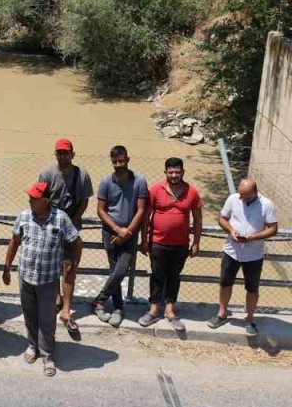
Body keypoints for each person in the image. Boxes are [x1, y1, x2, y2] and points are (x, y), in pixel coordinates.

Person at [3, 181, 81, 377]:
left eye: (34, 199)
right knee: (29, 316)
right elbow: (14, 242)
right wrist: (6, 267)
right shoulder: (24, 216)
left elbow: (77, 242)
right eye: (30, 197)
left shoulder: (60, 219)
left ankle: (47, 355)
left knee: (47, 320)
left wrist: (74, 265)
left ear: (46, 201)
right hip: (26, 277)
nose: (30, 201)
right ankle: (32, 346)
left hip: (48, 280)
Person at [139, 157, 203, 331]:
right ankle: (153, 309)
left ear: (183, 172)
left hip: (181, 244)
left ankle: (169, 309)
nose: (174, 175)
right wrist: (144, 240)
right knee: (157, 275)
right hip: (157, 242)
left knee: (174, 276)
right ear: (165, 172)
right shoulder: (155, 189)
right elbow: (146, 217)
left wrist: (196, 242)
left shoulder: (192, 192)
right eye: (171, 172)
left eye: (177, 172)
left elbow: (197, 220)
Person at [37, 138, 93, 336]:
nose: (63, 156)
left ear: (73, 154)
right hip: (50, 226)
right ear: (56, 155)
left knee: (69, 268)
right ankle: (56, 298)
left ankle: (67, 310)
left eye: (66, 153)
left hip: (70, 228)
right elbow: (39, 199)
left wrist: (72, 221)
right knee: (51, 266)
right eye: (59, 153)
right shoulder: (47, 174)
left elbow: (85, 201)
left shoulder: (82, 175)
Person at [209, 179, 278, 338]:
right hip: (231, 251)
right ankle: (222, 313)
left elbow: (273, 229)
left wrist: (255, 237)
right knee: (225, 282)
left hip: (254, 255)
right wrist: (231, 231)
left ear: (255, 192)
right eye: (241, 195)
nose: (242, 199)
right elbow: (222, 219)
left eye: (246, 196)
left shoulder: (267, 204)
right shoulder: (233, 199)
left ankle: (250, 318)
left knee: (252, 287)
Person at [90, 146, 148, 326]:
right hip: (110, 232)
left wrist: (127, 231)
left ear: (128, 159)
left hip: (130, 233)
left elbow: (141, 210)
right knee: (114, 270)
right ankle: (118, 308)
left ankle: (99, 301)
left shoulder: (139, 181)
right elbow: (100, 210)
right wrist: (117, 229)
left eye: (121, 161)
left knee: (122, 270)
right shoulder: (106, 182)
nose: (118, 165)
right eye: (115, 162)